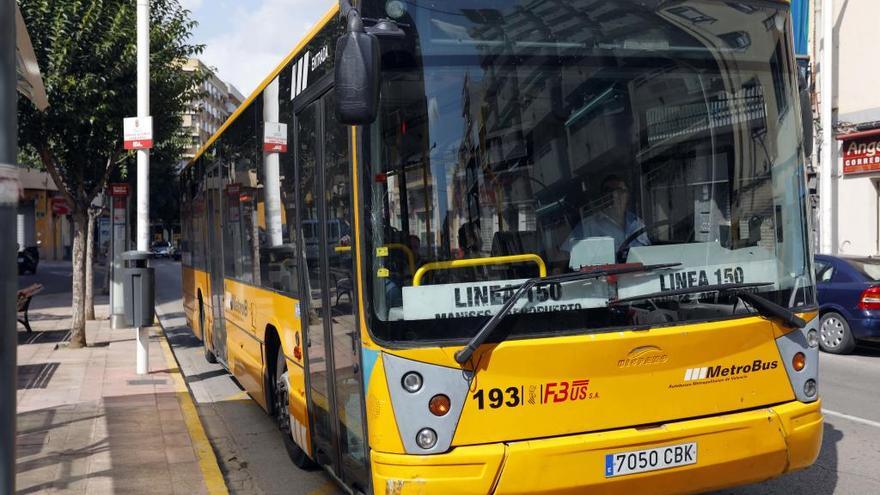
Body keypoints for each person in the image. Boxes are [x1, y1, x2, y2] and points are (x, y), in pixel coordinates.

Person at [562, 175, 650, 256]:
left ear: (627, 195)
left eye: (620, 191)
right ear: (602, 197)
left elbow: (649, 254)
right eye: (609, 191)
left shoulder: (637, 223)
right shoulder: (587, 226)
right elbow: (564, 256)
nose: (614, 195)